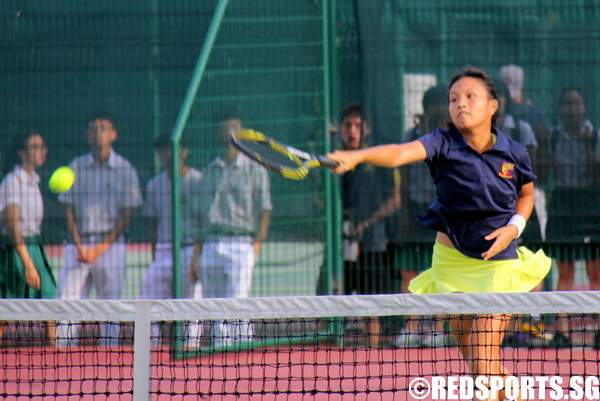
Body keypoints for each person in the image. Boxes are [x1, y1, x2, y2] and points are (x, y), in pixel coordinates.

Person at [328, 67, 551, 401]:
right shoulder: (441, 143)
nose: (460, 104)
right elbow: (400, 153)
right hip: (451, 266)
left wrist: (513, 228)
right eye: (453, 99)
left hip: (499, 265)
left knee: (483, 356)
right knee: (480, 369)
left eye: (470, 97)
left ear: (492, 106)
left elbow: (527, 195)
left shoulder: (514, 152)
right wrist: (357, 155)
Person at [57, 112, 142, 345]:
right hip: (78, 246)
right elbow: (68, 212)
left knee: (110, 304)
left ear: (113, 134)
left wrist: (100, 248)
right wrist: (80, 246)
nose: (98, 133)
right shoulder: (75, 167)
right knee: (67, 301)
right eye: (93, 128)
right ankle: (63, 354)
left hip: (112, 247)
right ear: (87, 135)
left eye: (104, 128)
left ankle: (110, 355)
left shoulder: (125, 169)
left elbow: (126, 216)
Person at [192, 115, 271, 346]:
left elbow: (265, 211)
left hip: (241, 242)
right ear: (219, 135)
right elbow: (200, 218)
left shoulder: (256, 170)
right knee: (214, 305)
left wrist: (257, 244)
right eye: (225, 130)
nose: (230, 135)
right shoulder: (208, 171)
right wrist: (197, 253)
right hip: (211, 242)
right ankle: (220, 353)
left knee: (238, 303)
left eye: (234, 130)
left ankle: (243, 353)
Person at [336, 104, 401, 347]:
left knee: (371, 306)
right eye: (347, 125)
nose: (352, 131)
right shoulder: (335, 162)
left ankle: (372, 359)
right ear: (340, 130)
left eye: (358, 125)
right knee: (329, 302)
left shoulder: (379, 160)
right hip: (339, 246)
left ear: (367, 129)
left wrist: (366, 225)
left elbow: (394, 199)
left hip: (374, 243)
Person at [393, 85, 449, 348]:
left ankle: (438, 329)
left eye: (442, 105)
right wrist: (404, 216)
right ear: (426, 109)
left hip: (443, 213)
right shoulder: (410, 136)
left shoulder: (450, 137)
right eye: (434, 105)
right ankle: (411, 327)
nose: (439, 110)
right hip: (415, 212)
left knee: (440, 273)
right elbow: (402, 180)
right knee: (410, 273)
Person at [546, 88, 600, 347]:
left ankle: (599, 330)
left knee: (596, 272)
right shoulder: (554, 137)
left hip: (590, 205)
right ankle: (562, 332)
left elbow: (597, 176)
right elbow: (544, 175)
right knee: (564, 271)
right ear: (560, 111)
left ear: (584, 108)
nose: (571, 109)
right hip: (562, 205)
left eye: (576, 103)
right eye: (566, 104)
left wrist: (588, 145)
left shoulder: (596, 136)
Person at [141, 133, 203, 343]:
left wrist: (196, 257)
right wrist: (155, 255)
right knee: (147, 297)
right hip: (164, 250)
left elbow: (203, 223)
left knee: (191, 303)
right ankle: (151, 346)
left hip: (189, 249)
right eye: (162, 151)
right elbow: (152, 224)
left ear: (184, 152)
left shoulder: (198, 181)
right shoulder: (153, 185)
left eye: (172, 149)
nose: (167, 154)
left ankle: (191, 347)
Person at [0, 131, 56, 345]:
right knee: (7, 306)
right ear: (21, 153)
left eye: (43, 146)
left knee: (49, 298)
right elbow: (13, 227)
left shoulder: (34, 181)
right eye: (35, 147)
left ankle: (56, 358)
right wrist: (27, 263)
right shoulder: (13, 182)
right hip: (16, 249)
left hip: (35, 246)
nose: (42, 151)